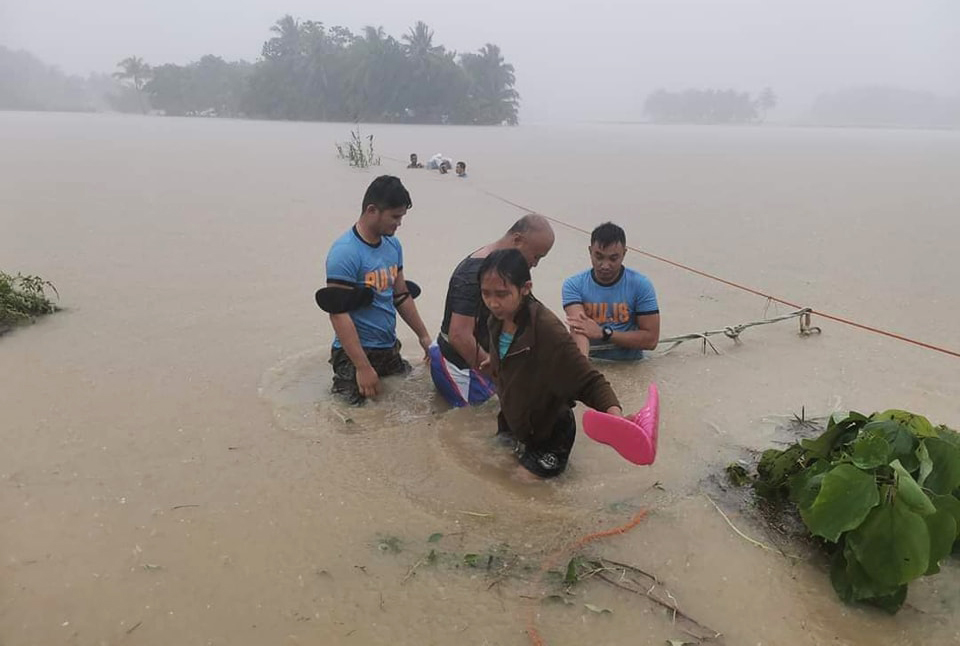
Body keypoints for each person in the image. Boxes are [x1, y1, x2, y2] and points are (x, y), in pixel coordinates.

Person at [479, 249, 623, 478]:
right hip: (514, 422)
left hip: (551, 433)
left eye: (502, 294)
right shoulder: (495, 319)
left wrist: (615, 417)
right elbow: (512, 356)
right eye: (486, 293)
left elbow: (588, 380)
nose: (493, 303)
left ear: (526, 288)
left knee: (520, 486)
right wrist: (495, 361)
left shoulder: (547, 329)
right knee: (488, 470)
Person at [324, 175, 432, 405]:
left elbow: (401, 296)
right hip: (354, 354)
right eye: (395, 216)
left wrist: (424, 337)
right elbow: (337, 313)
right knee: (352, 415)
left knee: (414, 394)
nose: (399, 223)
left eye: (401, 216)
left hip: (388, 348)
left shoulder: (393, 245)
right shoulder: (345, 252)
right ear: (372, 210)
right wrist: (362, 367)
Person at [429, 214, 555, 407]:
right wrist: (499, 375)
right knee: (485, 419)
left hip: (485, 355)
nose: (536, 263)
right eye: (536, 256)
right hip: (459, 364)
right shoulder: (474, 272)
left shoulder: (508, 268)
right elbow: (459, 335)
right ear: (517, 240)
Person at [563, 222, 660, 360]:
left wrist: (605, 333)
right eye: (599, 257)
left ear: (624, 253)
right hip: (592, 361)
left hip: (631, 364)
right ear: (590, 251)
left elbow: (651, 340)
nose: (605, 265)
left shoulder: (641, 285)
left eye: (613, 258)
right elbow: (579, 329)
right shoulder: (573, 285)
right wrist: (583, 372)